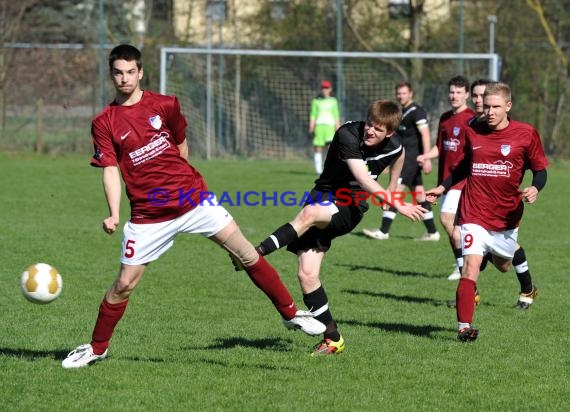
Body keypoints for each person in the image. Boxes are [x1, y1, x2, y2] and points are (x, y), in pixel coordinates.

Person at [61, 44, 325, 369]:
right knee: (124, 284)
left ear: (141, 72)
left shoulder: (166, 104)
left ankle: (289, 314)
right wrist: (114, 213)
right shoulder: (105, 122)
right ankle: (97, 348)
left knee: (246, 253)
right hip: (148, 216)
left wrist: (180, 181)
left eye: (131, 72)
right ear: (111, 74)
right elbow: (111, 170)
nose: (125, 78)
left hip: (194, 200)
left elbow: (181, 144)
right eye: (118, 72)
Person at [252, 100, 427, 355]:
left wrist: (391, 193)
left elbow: (398, 158)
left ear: (390, 132)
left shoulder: (395, 144)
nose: (370, 131)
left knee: (310, 214)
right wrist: (397, 203)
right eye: (369, 124)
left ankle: (255, 254)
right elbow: (363, 177)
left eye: (378, 129)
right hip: (322, 195)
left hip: (350, 205)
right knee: (307, 275)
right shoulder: (347, 134)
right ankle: (333, 338)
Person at [426, 82, 548, 341]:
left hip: (506, 215)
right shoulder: (473, 130)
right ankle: (463, 327)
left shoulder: (526, 134)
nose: (489, 111)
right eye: (486, 106)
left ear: (508, 106)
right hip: (474, 211)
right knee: (470, 266)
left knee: (504, 265)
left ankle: (505, 264)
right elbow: (463, 166)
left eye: (495, 107)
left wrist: (536, 188)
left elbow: (540, 169)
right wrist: (441, 186)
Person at [362, 81, 439, 241]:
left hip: (411, 159)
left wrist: (426, 158)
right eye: (399, 93)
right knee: (419, 196)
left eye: (404, 93)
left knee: (395, 191)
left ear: (410, 93)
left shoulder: (416, 111)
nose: (401, 96)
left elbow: (425, 134)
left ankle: (383, 231)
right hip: (403, 158)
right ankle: (433, 232)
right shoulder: (400, 111)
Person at [417, 75, 475, 281]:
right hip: (444, 180)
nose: (454, 96)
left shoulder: (473, 119)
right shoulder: (444, 118)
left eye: (459, 92)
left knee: (445, 218)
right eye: (452, 92)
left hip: (462, 180)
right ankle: (462, 265)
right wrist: (426, 156)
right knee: (454, 227)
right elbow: (440, 148)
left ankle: (468, 261)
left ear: (467, 95)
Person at [309, 79, 341, 174]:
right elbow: (313, 114)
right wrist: (311, 126)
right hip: (319, 127)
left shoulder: (333, 101)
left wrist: (338, 126)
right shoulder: (316, 101)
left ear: (330, 89)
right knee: (318, 147)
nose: (324, 90)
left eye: (326, 88)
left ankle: (329, 168)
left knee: (330, 148)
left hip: (330, 127)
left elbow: (336, 115)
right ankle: (318, 170)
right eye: (323, 88)